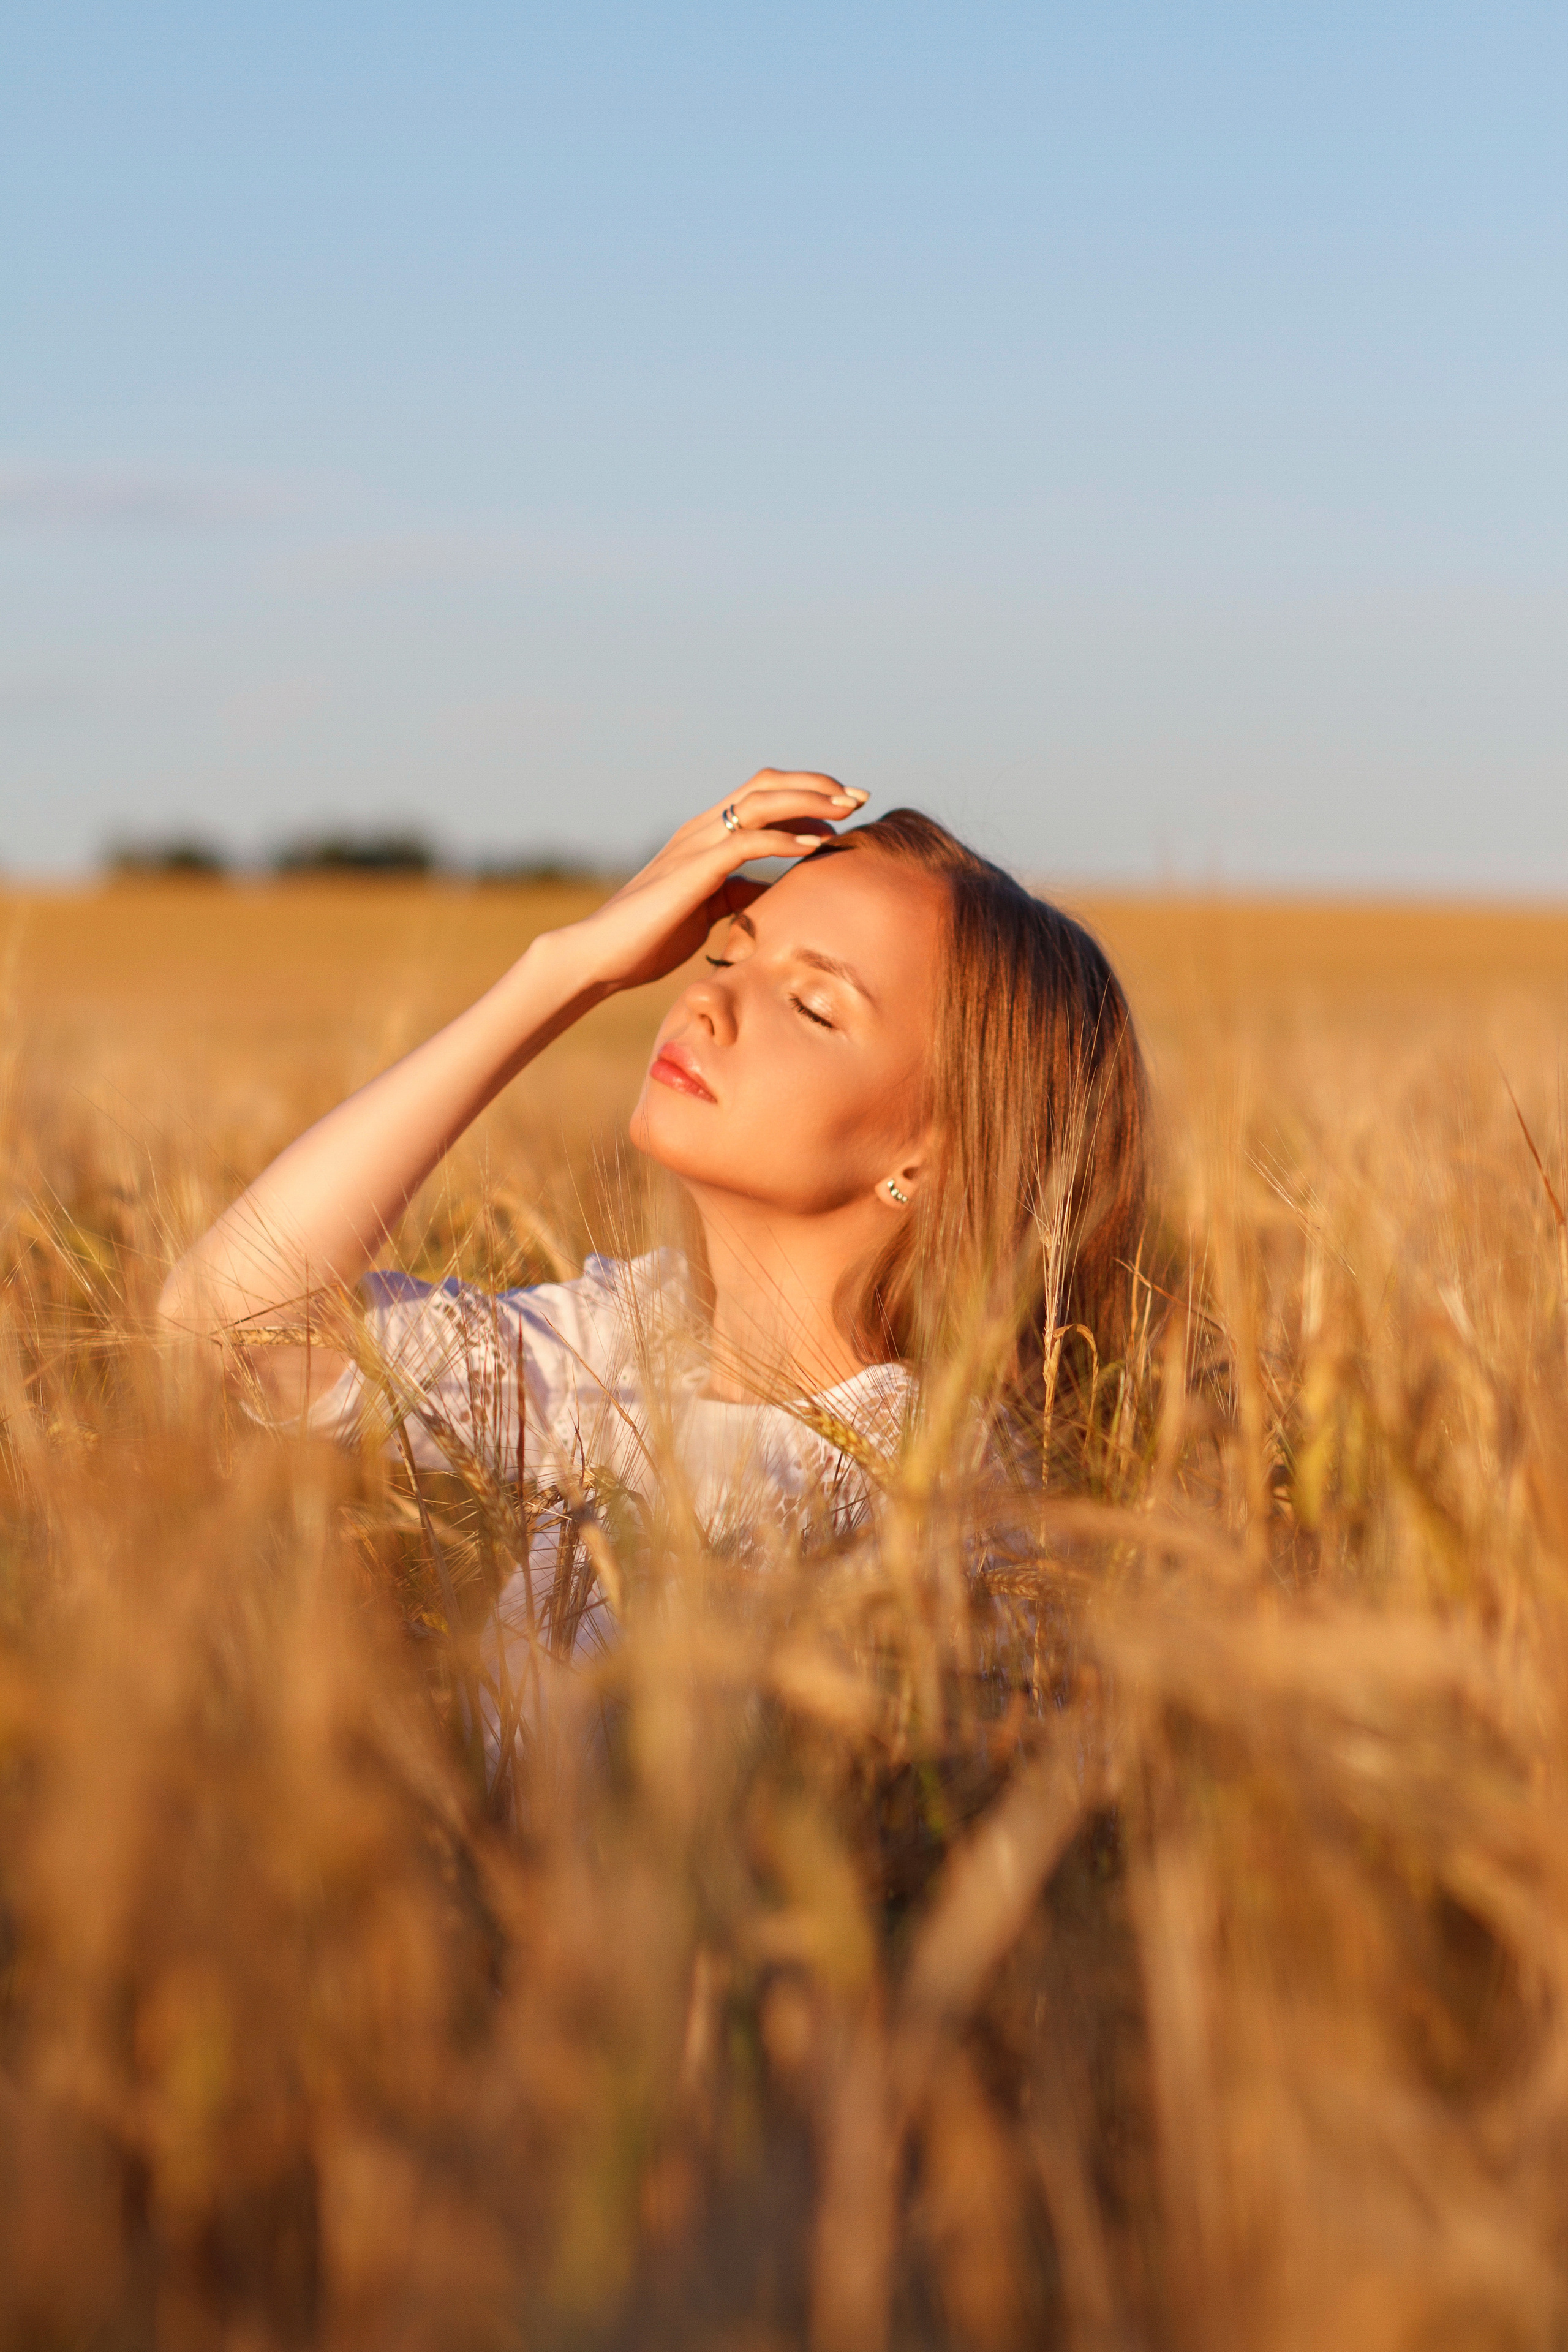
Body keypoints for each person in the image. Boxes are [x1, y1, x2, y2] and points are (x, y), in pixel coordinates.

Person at [159, 772, 1148, 1788]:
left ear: (931, 1158)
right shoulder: (625, 1347)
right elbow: (227, 1323)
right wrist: (563, 973)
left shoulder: (934, 1507)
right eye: (727, 953)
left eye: (812, 1007)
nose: (709, 999)